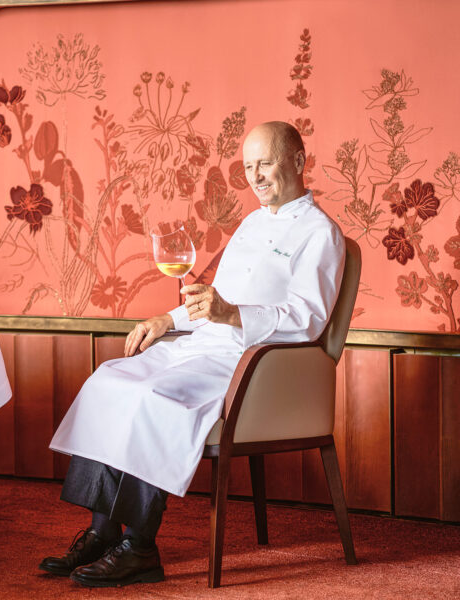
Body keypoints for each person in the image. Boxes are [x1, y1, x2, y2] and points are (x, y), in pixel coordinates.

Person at [39, 121, 346, 588]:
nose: (256, 175)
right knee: (109, 380)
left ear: (299, 161)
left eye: (266, 163)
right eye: (248, 167)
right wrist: (167, 321)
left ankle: (140, 546)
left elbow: (309, 319)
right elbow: (214, 300)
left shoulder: (321, 234)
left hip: (253, 362)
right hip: (201, 344)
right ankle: (103, 531)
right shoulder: (249, 223)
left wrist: (236, 315)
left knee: (154, 396)